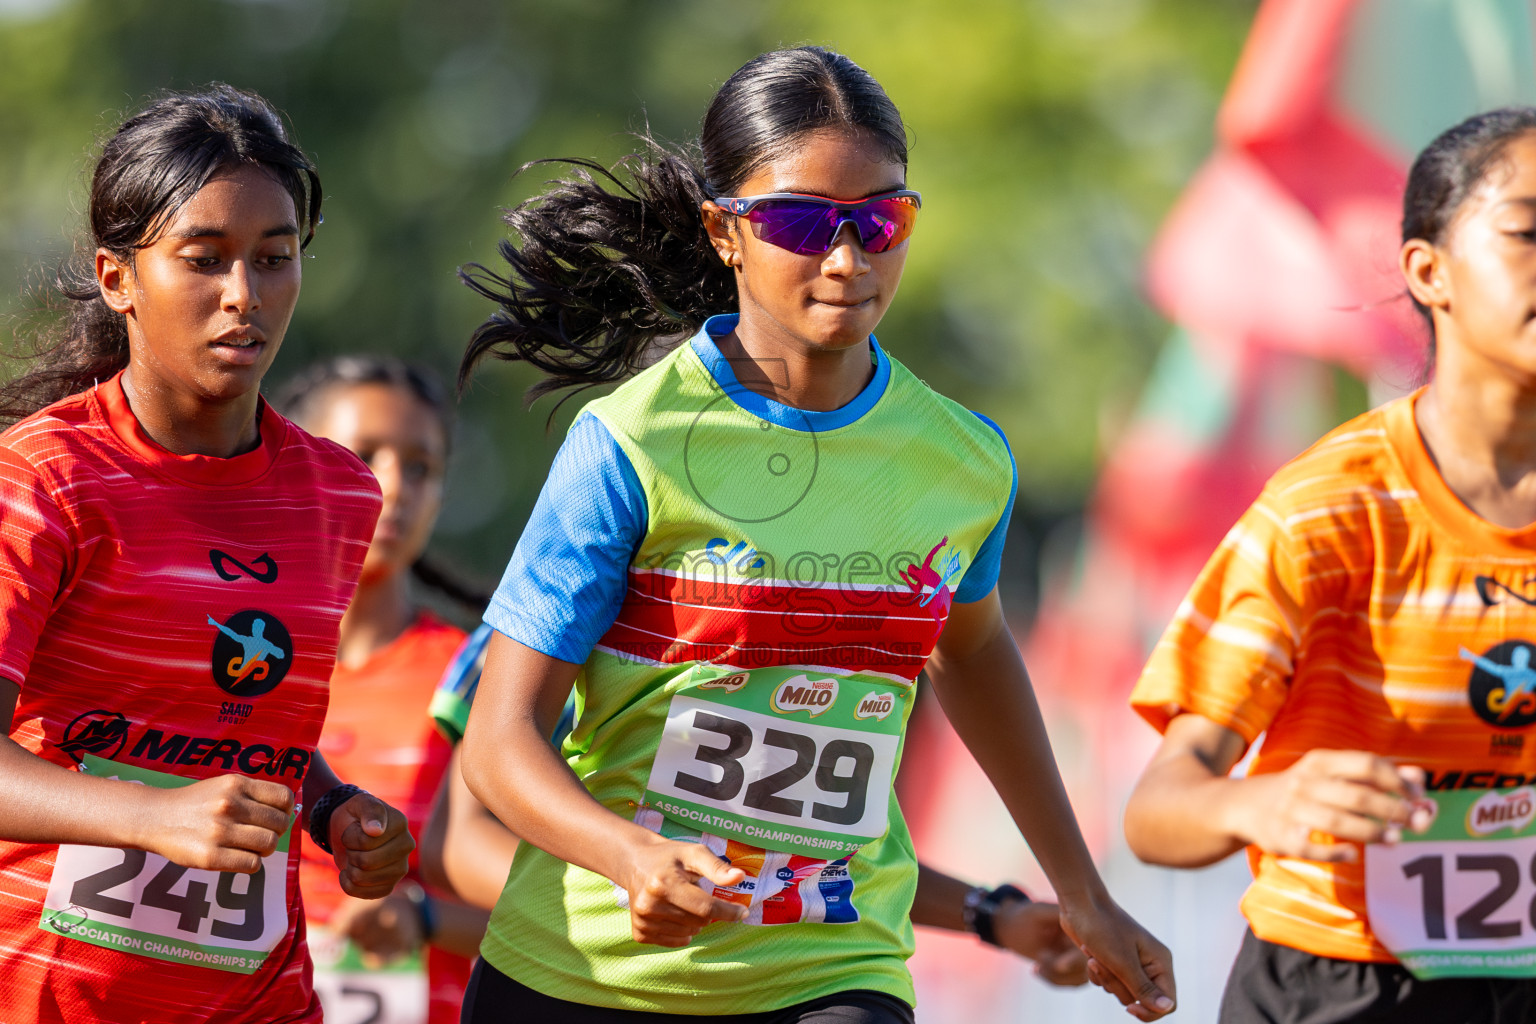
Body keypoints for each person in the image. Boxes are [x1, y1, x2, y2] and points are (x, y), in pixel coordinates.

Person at [454, 46, 1176, 1023]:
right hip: (583, 973)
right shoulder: (631, 441)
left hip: (831, 970)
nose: (848, 259)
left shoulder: (964, 460)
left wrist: (1081, 889)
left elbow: (971, 651)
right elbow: (498, 745)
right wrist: (628, 855)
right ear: (725, 231)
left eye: (879, 219)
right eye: (801, 221)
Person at [0, 86, 413, 1023]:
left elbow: (248, 731)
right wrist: (151, 819)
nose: (245, 296)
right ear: (118, 278)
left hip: (260, 1001)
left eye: (275, 259)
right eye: (204, 260)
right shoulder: (43, 478)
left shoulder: (340, 495)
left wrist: (332, 809)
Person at [1123, 106, 1536, 1023]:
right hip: (1340, 989)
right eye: (1528, 234)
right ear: (1429, 272)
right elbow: (1159, 808)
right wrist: (1260, 804)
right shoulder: (1330, 508)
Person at [422, 627, 1088, 985]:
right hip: (596, 978)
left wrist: (993, 914)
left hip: (802, 986)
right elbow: (457, 839)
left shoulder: (847, 635)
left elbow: (820, 861)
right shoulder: (566, 592)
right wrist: (629, 874)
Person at [275, 357, 492, 1024]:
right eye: (365, 455)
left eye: (420, 467)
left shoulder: (477, 682)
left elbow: (553, 909)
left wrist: (424, 916)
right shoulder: (226, 663)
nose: (394, 485)